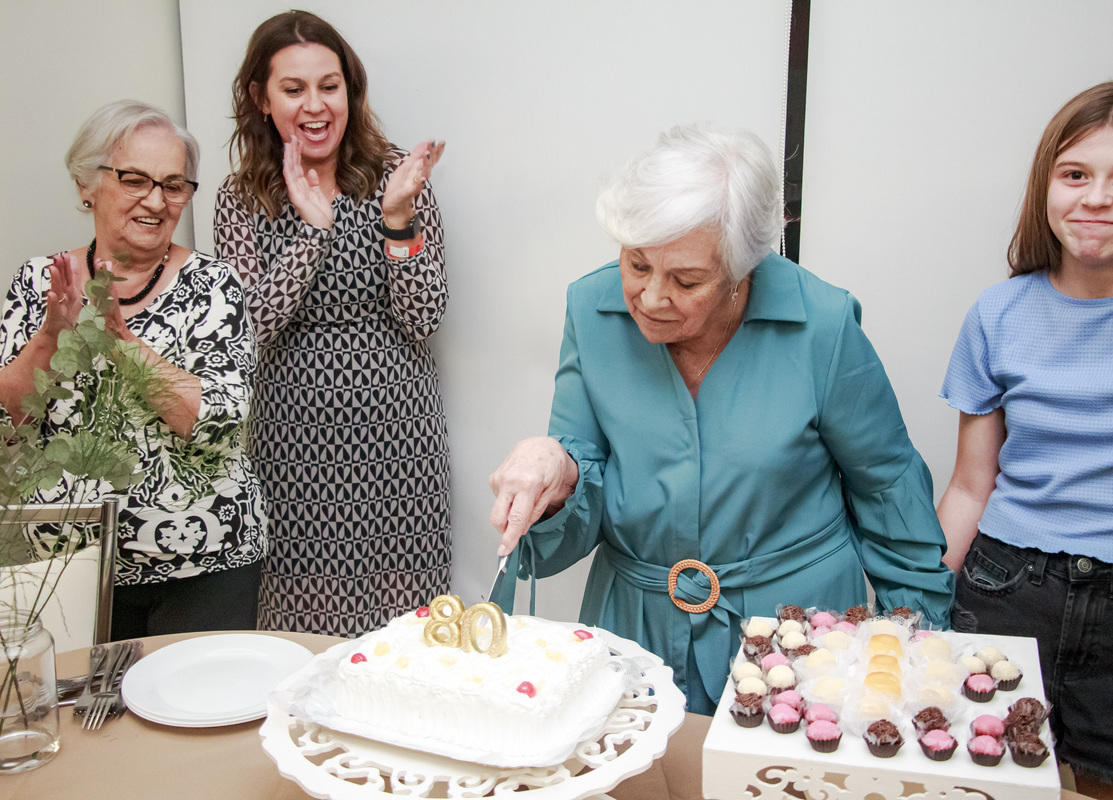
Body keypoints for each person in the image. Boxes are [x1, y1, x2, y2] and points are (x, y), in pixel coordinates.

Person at [488, 123, 955, 714]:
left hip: (796, 636)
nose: (650, 297)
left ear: (743, 269)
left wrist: (916, 645)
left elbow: (886, 487)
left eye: (686, 280)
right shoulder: (590, 308)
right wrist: (558, 472)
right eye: (636, 264)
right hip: (634, 630)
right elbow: (583, 474)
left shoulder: (822, 324)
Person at [939, 81, 1113, 798]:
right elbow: (970, 486)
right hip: (1006, 593)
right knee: (988, 783)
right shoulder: (998, 313)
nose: (1097, 198)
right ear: (1046, 187)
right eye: (1075, 174)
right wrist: (919, 605)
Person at [214, 10, 450, 637]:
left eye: (329, 86)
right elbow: (245, 333)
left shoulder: (398, 178)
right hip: (292, 444)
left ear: (351, 90)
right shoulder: (241, 197)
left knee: (405, 638)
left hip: (399, 438)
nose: (315, 106)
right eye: (293, 89)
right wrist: (312, 233)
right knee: (305, 636)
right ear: (261, 98)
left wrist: (397, 220)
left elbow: (424, 316)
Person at [0, 100, 266, 639]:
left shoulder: (213, 286)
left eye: (173, 185)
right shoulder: (37, 283)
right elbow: (9, 427)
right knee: (80, 697)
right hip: (65, 567)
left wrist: (121, 340)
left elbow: (218, 423)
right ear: (87, 185)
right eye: (135, 179)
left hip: (204, 562)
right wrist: (52, 337)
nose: (156, 201)